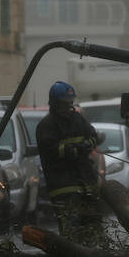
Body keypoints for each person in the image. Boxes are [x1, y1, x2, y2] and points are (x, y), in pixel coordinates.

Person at [36, 80, 102, 238]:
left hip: (86, 181)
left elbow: (93, 136)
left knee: (94, 227)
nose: (68, 108)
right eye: (64, 104)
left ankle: (97, 255)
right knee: (71, 229)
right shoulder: (47, 125)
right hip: (62, 183)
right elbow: (49, 150)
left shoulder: (78, 120)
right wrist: (69, 150)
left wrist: (88, 144)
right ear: (54, 103)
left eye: (70, 104)